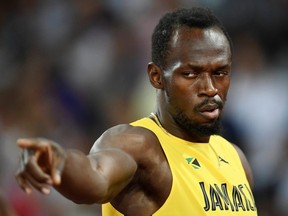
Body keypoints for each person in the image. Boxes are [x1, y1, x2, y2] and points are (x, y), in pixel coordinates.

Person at [15, 7, 257, 215]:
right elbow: (94, 178)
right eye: (190, 74)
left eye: (220, 73)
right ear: (156, 76)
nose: (210, 88)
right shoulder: (139, 146)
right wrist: (59, 161)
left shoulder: (236, 159)